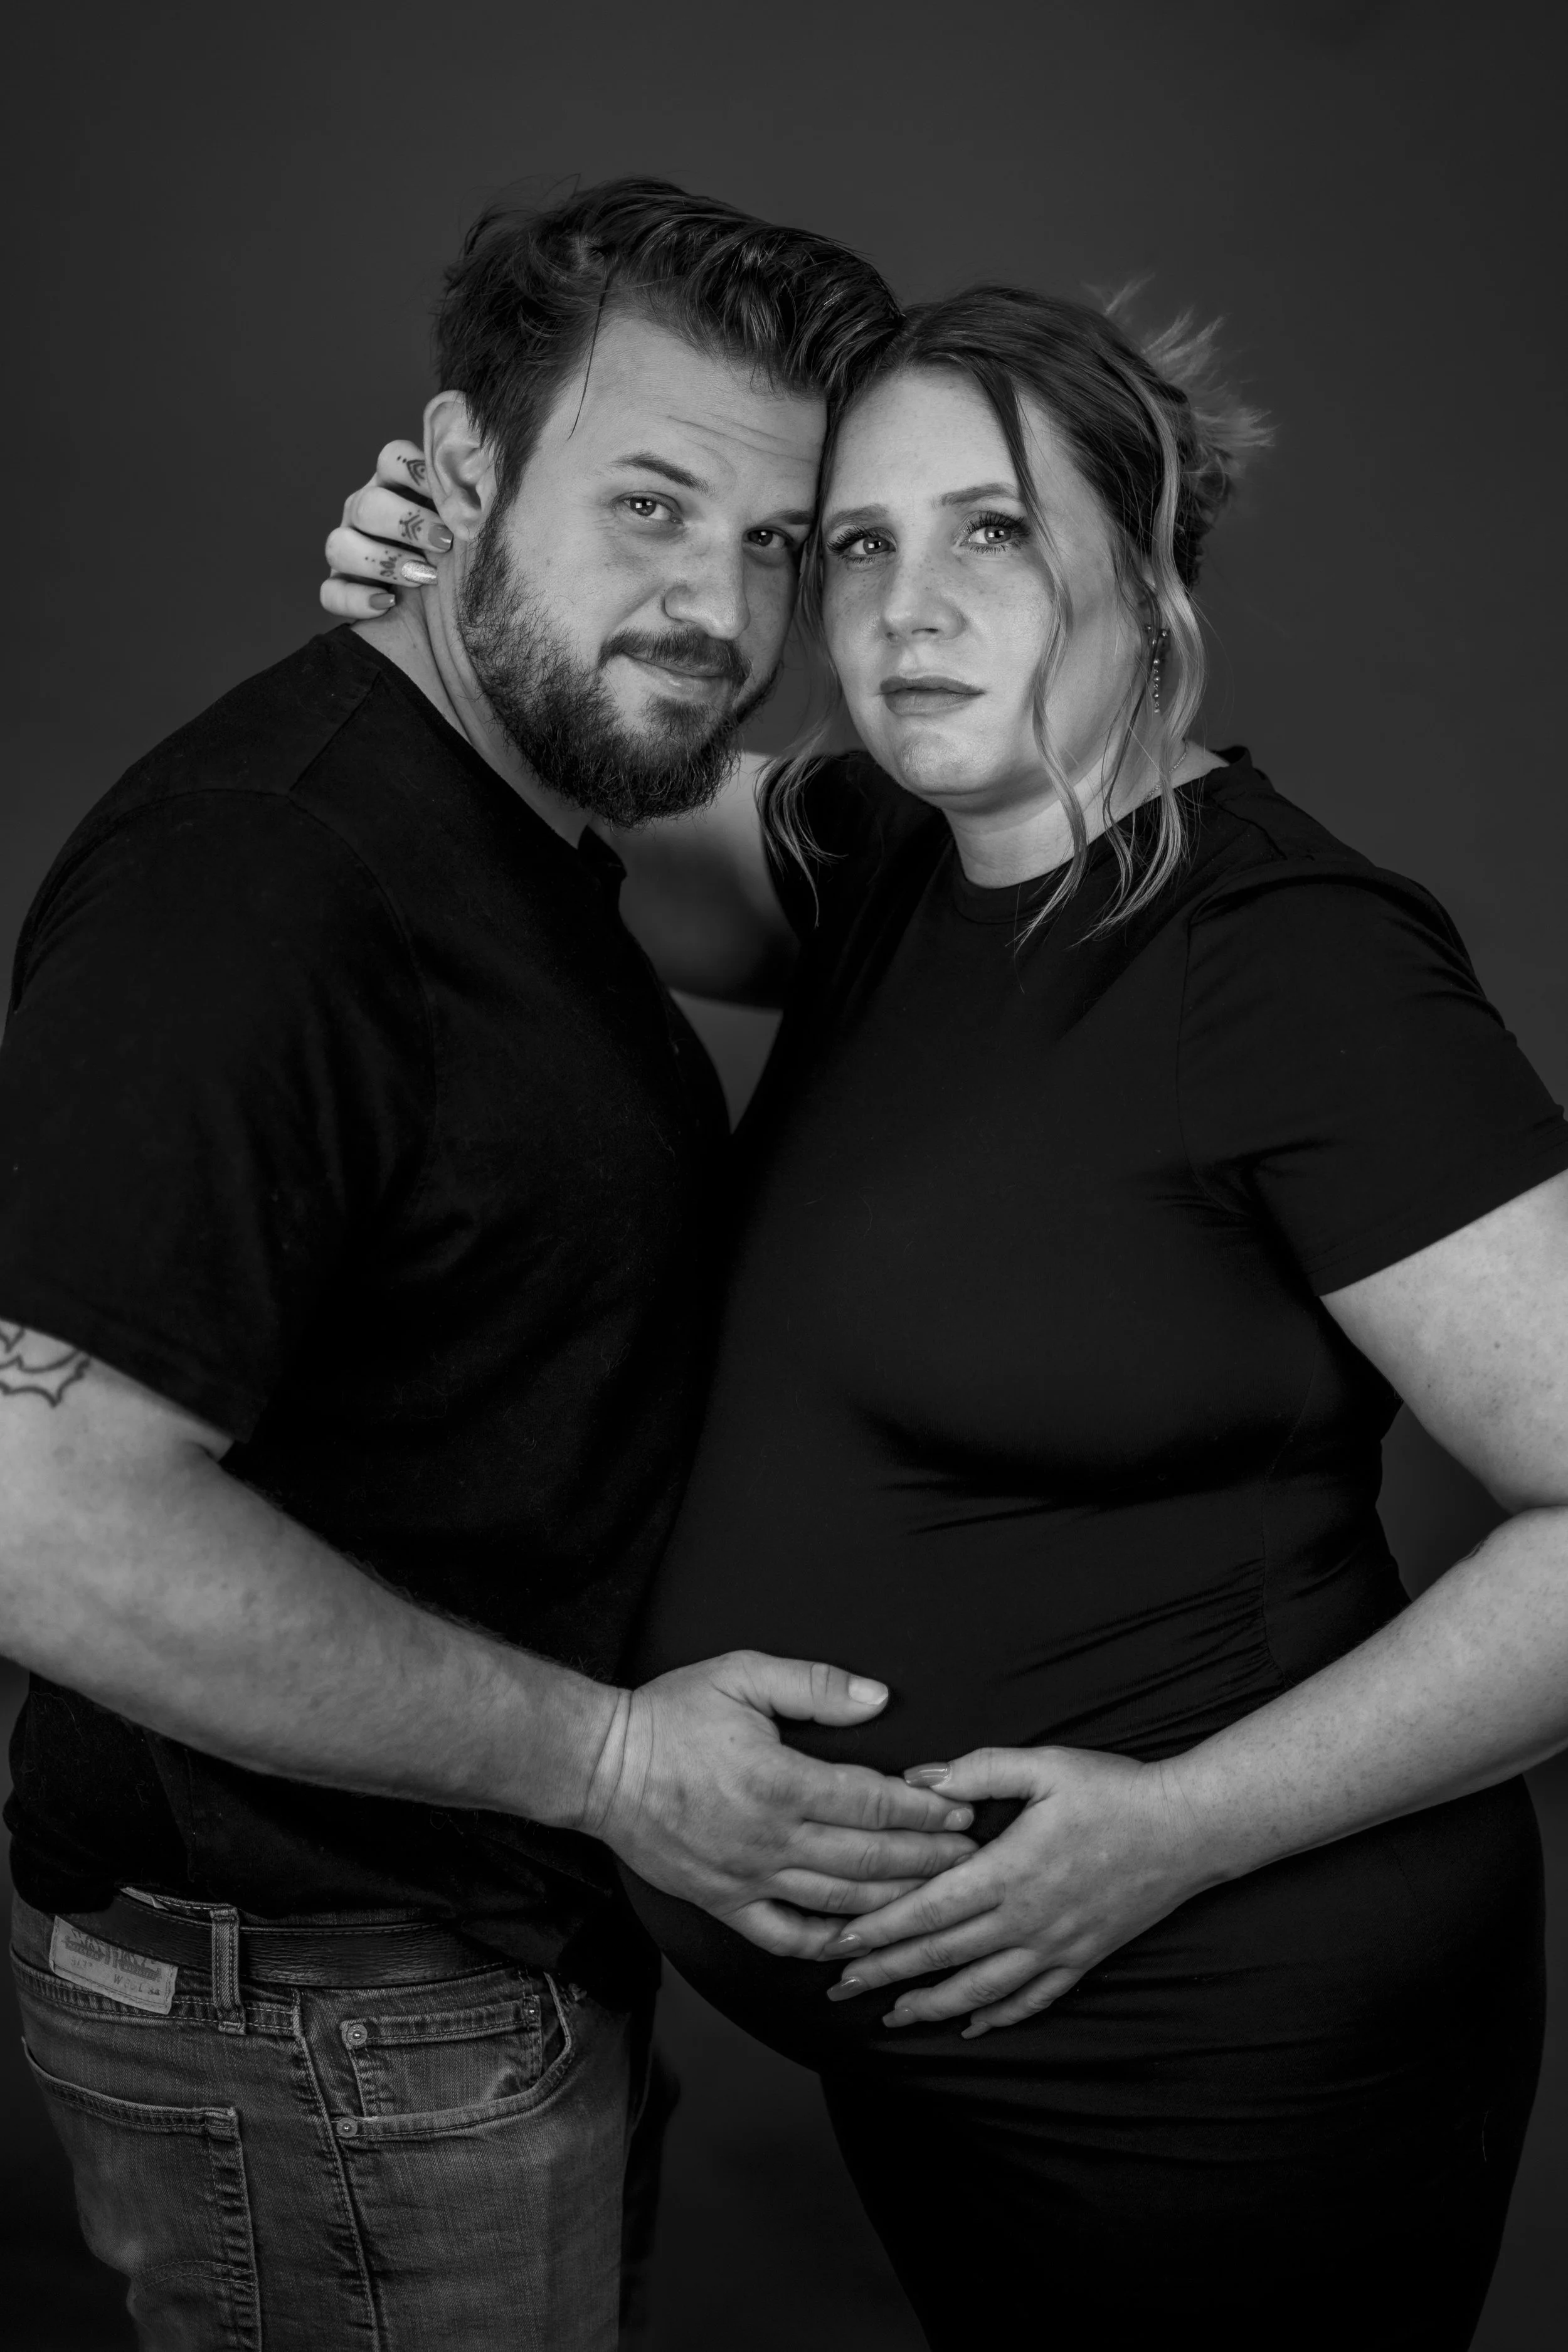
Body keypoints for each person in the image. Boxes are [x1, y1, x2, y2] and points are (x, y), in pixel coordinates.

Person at [326, 280, 1568, 2349]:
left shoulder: (1290, 971)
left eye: (989, 532)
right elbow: (589, 801)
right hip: (950, 2040)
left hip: (1216, 2042)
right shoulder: (892, 849)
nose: (904, 610)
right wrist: (449, 601)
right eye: (857, 547)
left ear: (1148, 563)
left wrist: (1177, 1832)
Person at [0, 181, 979, 2352]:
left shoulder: (523, 822)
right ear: (453, 473)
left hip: (451, 1984)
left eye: (768, 548)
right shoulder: (265, 877)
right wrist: (616, 1764)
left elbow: (909, 876)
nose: (714, 609)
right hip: (320, 2010)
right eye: (645, 504)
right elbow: (36, 1515)